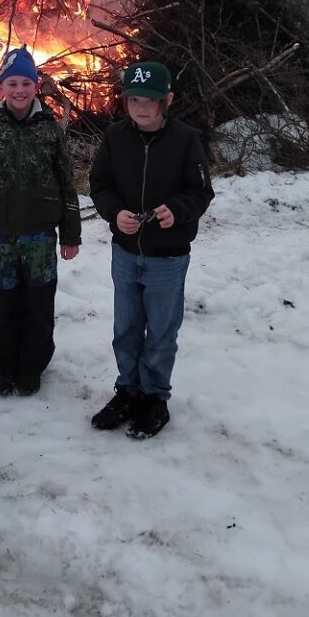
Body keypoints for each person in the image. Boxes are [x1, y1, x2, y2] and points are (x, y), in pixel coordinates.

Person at [89, 60, 214, 438]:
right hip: (125, 253)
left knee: (160, 330)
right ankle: (127, 391)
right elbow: (100, 184)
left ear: (168, 100)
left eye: (151, 100)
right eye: (134, 99)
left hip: (167, 258)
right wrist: (114, 213)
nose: (141, 107)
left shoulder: (186, 139)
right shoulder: (115, 137)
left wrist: (177, 211)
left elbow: (201, 191)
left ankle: (155, 398)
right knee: (126, 328)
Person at [0, 46, 81, 396]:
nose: (19, 90)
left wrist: (69, 235)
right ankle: (5, 367)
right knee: (2, 307)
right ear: (1, 88)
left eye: (26, 83)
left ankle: (31, 368)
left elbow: (66, 183)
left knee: (39, 307)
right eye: (11, 83)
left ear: (36, 86)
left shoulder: (50, 130)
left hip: (40, 237)